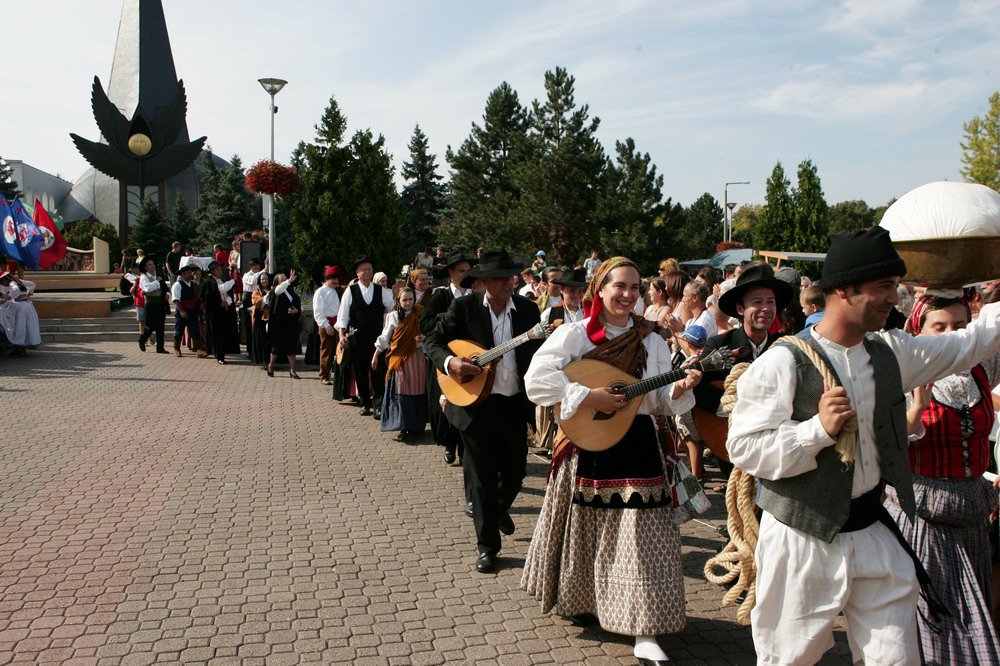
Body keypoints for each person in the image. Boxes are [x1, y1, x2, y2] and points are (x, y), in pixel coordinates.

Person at [727, 227, 1000, 665]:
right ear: (841, 291)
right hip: (802, 537)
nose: (896, 298)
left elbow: (971, 343)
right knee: (789, 659)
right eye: (883, 288)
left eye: (894, 286)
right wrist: (816, 429)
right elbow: (744, 448)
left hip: (874, 530)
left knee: (897, 658)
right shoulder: (782, 362)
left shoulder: (893, 353)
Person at [521, 257, 702, 665]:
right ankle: (588, 600)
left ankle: (645, 628)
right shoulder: (575, 335)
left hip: (637, 444)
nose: (628, 295)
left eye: (635, 288)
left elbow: (655, 401)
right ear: (599, 289)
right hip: (588, 444)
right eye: (620, 286)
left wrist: (679, 387)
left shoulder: (652, 339)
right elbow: (537, 381)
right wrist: (590, 396)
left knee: (642, 539)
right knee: (587, 528)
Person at [891, 293, 1000, 662]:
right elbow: (885, 446)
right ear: (917, 331)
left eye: (961, 327)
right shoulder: (904, 374)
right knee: (938, 621)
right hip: (924, 517)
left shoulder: (982, 369)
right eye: (940, 327)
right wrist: (916, 409)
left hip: (972, 516)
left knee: (974, 613)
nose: (952, 335)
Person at [423, 249, 542, 574]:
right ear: (485, 282)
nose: (509, 282)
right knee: (481, 480)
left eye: (511, 276)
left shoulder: (529, 310)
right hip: (475, 405)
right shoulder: (464, 307)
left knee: (516, 471)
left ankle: (498, 510)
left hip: (515, 405)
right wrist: (451, 363)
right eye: (502, 277)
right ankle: (488, 547)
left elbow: (543, 354)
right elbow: (432, 340)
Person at [689, 265, 792, 481]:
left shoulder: (786, 347)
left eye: (770, 302)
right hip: (730, 439)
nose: (765, 308)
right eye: (757, 302)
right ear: (740, 308)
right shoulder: (720, 345)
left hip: (775, 445)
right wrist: (738, 406)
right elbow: (699, 392)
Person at [420, 252, 475, 466]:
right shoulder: (440, 295)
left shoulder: (476, 295)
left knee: (467, 401)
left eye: (468, 271)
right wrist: (443, 321)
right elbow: (424, 324)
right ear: (451, 272)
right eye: (462, 271)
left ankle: (464, 447)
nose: (466, 274)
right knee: (443, 404)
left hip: (469, 356)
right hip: (443, 357)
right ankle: (448, 444)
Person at [336, 257, 394, 417]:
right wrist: (342, 335)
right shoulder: (351, 290)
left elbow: (392, 307)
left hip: (376, 338)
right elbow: (343, 314)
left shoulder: (381, 290)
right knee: (360, 371)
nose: (368, 272)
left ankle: (379, 405)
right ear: (357, 272)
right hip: (357, 338)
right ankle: (365, 403)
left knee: (377, 370)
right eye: (364, 269)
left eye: (370, 269)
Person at [374, 287, 428, 441]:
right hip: (399, 360)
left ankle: (417, 426)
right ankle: (403, 427)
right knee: (402, 391)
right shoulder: (392, 316)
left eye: (411, 299)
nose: (408, 302)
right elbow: (385, 337)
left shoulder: (420, 313)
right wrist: (376, 355)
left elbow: (430, 331)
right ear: (399, 300)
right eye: (405, 299)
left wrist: (423, 337)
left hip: (417, 357)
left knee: (418, 390)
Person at [266, 269, 302, 378]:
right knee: (276, 347)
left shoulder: (291, 290)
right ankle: (271, 366)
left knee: (291, 347)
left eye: (285, 279)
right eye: (282, 280)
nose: (285, 281)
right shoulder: (276, 290)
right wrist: (289, 280)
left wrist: (297, 310)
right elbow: (278, 290)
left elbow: (297, 304)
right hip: (279, 323)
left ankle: (292, 370)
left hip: (291, 323)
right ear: (277, 281)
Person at [203, 261, 236, 365]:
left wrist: (228, 302)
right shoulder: (209, 282)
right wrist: (233, 281)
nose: (220, 271)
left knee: (224, 334)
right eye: (217, 269)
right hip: (215, 313)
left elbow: (228, 294)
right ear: (212, 271)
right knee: (217, 335)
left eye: (220, 269)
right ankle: (219, 356)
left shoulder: (222, 280)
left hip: (224, 312)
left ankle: (224, 352)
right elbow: (214, 294)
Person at [170, 264, 207, 358]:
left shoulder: (193, 284)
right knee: (179, 330)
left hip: (193, 311)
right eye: (187, 273)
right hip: (182, 310)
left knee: (195, 330)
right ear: (182, 274)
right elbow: (176, 299)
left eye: (190, 272)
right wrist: (182, 311)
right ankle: (176, 349)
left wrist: (201, 303)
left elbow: (198, 297)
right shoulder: (177, 284)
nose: (189, 274)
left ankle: (198, 349)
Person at [0, 272, 41, 356]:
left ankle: (19, 348)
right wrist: (30, 292)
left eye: (1, 281)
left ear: (5, 279)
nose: (2, 283)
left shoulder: (12, 283)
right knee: (25, 327)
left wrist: (8, 298)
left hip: (19, 307)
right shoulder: (18, 281)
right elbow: (32, 284)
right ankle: (21, 348)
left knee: (19, 326)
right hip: (26, 306)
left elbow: (15, 290)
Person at [313, 267, 341, 386]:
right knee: (327, 351)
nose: (336, 281)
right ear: (327, 279)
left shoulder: (336, 291)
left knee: (340, 351)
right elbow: (318, 312)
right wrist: (327, 326)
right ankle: (324, 375)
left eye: (337, 279)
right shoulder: (320, 292)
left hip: (338, 324)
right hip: (326, 323)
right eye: (333, 279)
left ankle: (338, 374)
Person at [137, 257, 169, 354]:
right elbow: (147, 288)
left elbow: (165, 288)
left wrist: (167, 294)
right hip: (150, 304)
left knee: (160, 326)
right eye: (149, 265)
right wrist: (157, 282)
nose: (152, 266)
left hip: (160, 304)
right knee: (150, 326)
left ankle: (160, 347)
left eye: (153, 264)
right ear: (146, 267)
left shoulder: (158, 275)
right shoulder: (144, 277)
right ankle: (142, 340)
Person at [249, 272, 272, 365]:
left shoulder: (272, 290)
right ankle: (263, 361)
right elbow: (257, 303)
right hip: (259, 319)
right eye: (262, 279)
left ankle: (271, 360)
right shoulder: (256, 291)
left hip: (270, 318)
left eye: (266, 279)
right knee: (261, 340)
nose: (264, 281)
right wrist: (265, 297)